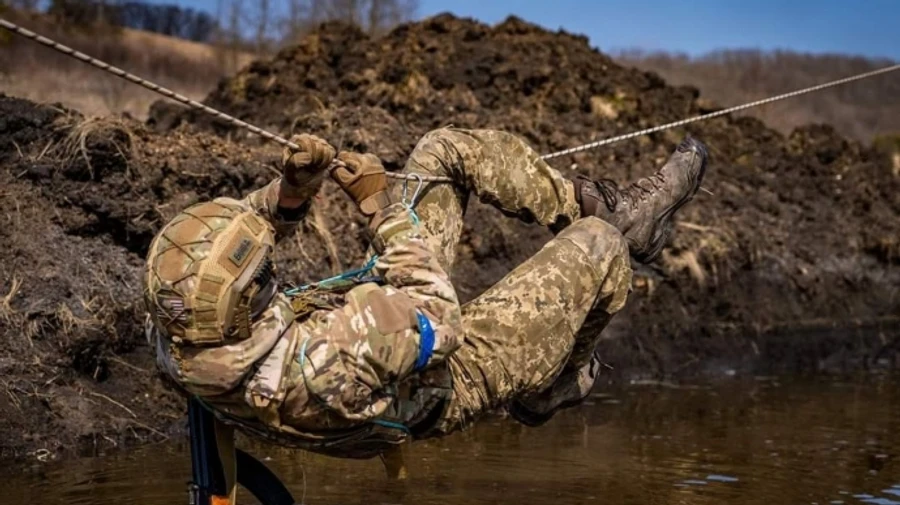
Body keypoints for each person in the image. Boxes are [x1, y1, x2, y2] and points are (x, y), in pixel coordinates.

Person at [143, 127, 708, 459]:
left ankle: (612, 207)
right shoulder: (326, 360)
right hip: (449, 372)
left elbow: (225, 252)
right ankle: (555, 382)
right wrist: (380, 212)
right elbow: (438, 311)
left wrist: (291, 191)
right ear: (247, 301)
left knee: (444, 152)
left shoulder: (178, 332)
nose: (269, 264)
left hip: (375, 335)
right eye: (264, 272)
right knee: (602, 245)